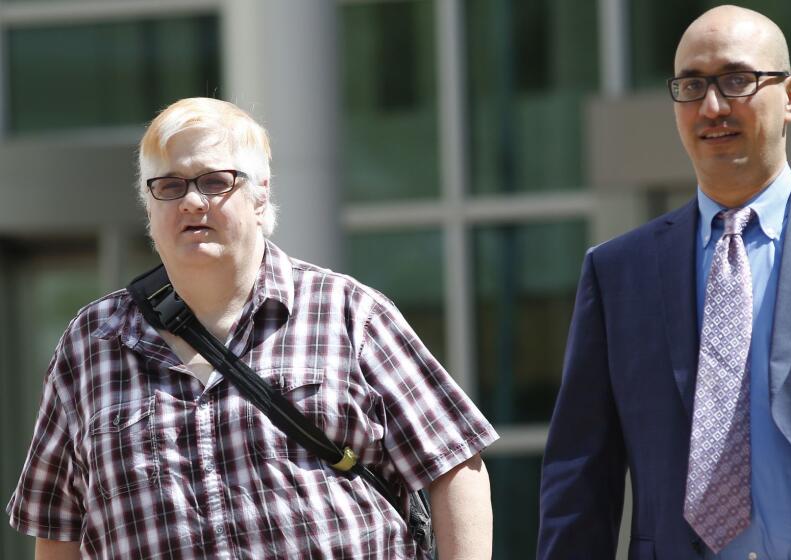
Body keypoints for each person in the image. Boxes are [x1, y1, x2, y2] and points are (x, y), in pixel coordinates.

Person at [7, 97, 498, 559]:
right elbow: (57, 526)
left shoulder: (349, 313)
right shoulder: (92, 343)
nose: (192, 202)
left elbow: (455, 467)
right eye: (170, 186)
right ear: (150, 207)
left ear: (260, 196)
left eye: (215, 182)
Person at [538, 5, 791, 559]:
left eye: (736, 80)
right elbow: (581, 472)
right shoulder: (617, 272)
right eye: (692, 85)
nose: (713, 107)